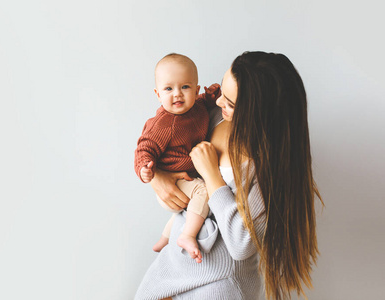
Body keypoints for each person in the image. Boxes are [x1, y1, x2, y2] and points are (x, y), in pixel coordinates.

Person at [135, 51, 323, 300]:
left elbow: (241, 243)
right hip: (173, 268)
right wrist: (156, 176)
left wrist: (212, 175)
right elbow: (158, 143)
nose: (220, 102)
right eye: (222, 92)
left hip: (219, 284)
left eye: (231, 103)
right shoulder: (211, 117)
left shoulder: (265, 166)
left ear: (259, 113)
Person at [134, 53, 221, 263]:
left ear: (196, 89)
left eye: (185, 87)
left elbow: (207, 100)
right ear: (158, 94)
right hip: (175, 182)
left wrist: (215, 92)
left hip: (184, 181)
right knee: (204, 191)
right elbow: (145, 146)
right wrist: (145, 168)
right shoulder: (164, 124)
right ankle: (187, 236)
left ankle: (165, 239)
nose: (177, 95)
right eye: (168, 89)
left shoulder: (197, 106)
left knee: (191, 209)